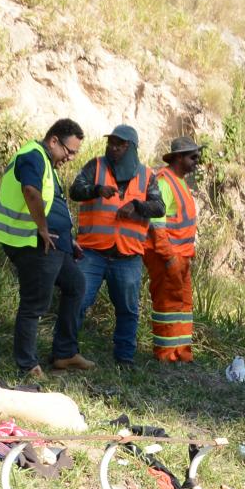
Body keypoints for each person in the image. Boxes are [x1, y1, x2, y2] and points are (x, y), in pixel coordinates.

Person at [0, 118, 93, 377]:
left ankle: (65, 353)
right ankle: (27, 365)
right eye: (69, 151)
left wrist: (66, 237)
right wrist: (43, 228)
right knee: (35, 303)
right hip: (34, 243)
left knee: (75, 285)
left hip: (56, 244)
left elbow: (50, 202)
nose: (70, 157)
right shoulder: (33, 155)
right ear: (54, 141)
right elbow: (30, 191)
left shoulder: (48, 163)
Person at [69, 124, 163, 366]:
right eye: (110, 142)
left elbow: (159, 207)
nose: (112, 147)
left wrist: (137, 206)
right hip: (92, 252)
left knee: (128, 310)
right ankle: (67, 353)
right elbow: (75, 190)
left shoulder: (147, 176)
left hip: (128, 256)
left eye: (118, 144)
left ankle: (124, 359)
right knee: (77, 301)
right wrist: (97, 189)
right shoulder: (96, 166)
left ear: (129, 147)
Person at [144, 137, 202, 362]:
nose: (197, 162)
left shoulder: (179, 181)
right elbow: (156, 226)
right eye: (193, 157)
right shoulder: (164, 182)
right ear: (178, 157)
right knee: (167, 306)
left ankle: (181, 354)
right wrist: (169, 258)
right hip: (166, 257)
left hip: (182, 256)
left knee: (182, 305)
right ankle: (166, 355)